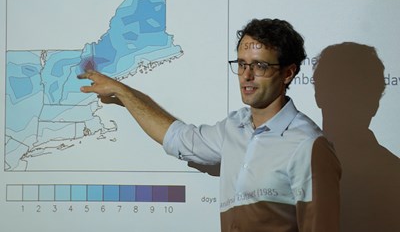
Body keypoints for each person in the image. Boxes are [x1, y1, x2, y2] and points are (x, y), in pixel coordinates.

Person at [78, 18, 341, 232]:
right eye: (241, 65)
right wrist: (122, 93)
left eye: (260, 66)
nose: (246, 76)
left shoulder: (307, 145)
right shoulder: (234, 128)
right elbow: (178, 139)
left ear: (288, 73)